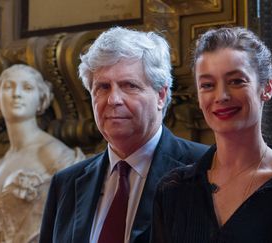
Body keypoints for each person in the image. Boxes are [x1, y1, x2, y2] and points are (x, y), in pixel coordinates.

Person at [151, 27, 272, 243]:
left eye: (236, 81)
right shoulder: (172, 189)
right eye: (207, 85)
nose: (221, 96)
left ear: (267, 87)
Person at [39, 26, 208, 243]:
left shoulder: (204, 168)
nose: (113, 99)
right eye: (102, 87)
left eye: (129, 86)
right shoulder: (66, 184)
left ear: (160, 94)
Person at [0, 64, 84, 243]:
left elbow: (78, 214)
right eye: (8, 86)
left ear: (41, 99)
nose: (16, 94)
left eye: (27, 88)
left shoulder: (52, 152)